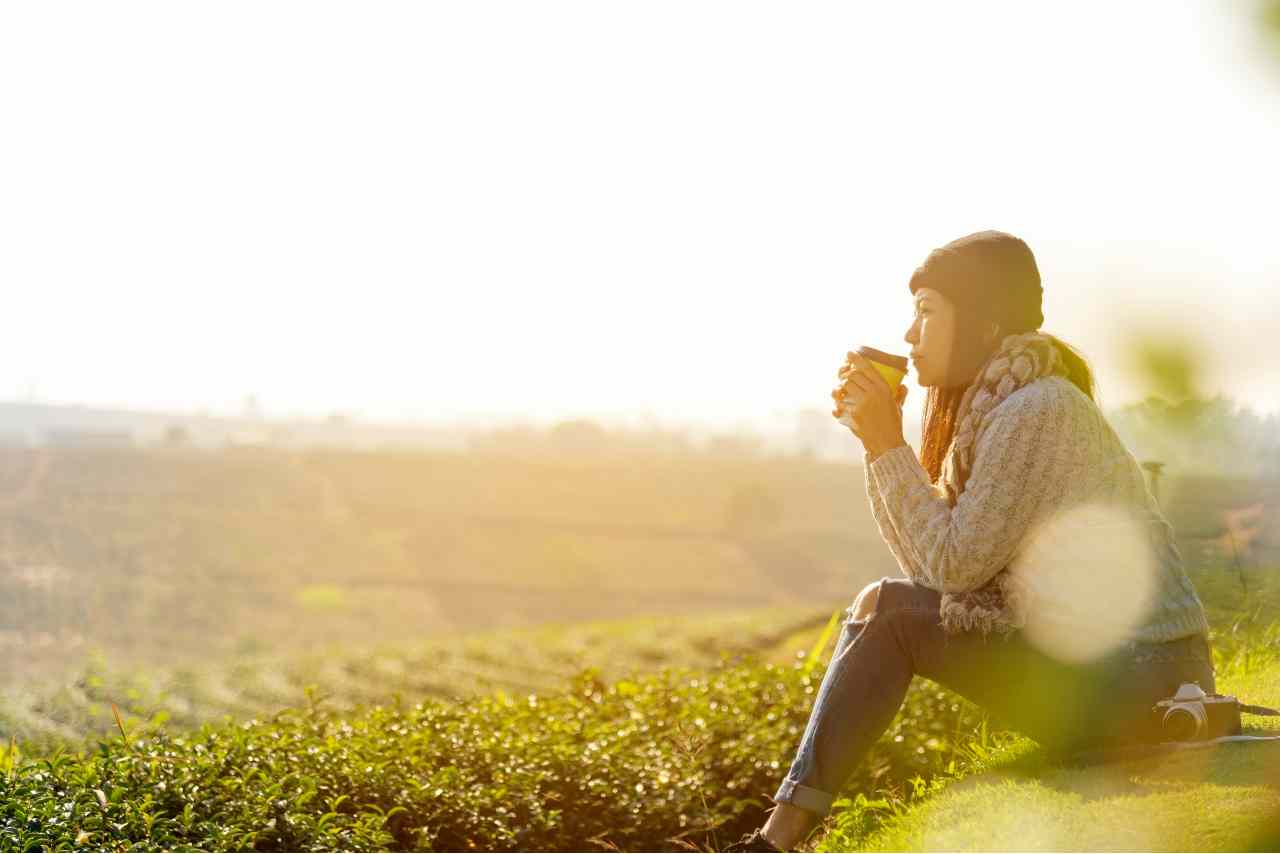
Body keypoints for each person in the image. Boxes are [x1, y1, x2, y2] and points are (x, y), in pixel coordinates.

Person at [725, 230, 1214, 853]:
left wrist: (885, 445)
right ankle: (781, 835)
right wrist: (879, 449)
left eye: (927, 311)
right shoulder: (1003, 407)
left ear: (984, 322)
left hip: (1148, 682)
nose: (909, 334)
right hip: (1119, 673)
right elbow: (934, 570)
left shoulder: (1037, 409)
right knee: (886, 604)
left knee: (892, 616)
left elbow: (952, 567)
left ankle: (777, 840)